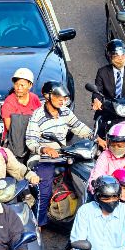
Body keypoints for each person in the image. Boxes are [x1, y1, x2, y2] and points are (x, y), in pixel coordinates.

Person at [26, 81, 94, 226]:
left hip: (64, 154)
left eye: (63, 98)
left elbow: (78, 126)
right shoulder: (37, 115)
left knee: (86, 178)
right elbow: (31, 142)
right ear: (47, 96)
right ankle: (39, 222)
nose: (62, 101)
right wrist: (45, 149)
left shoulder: (65, 111)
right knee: (43, 192)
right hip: (42, 158)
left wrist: (95, 138)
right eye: (58, 97)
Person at [2, 67, 41, 142]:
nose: (19, 88)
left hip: (33, 137)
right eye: (16, 85)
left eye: (22, 85)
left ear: (30, 85)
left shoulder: (34, 98)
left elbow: (40, 118)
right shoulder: (9, 102)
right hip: (15, 140)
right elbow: (9, 127)